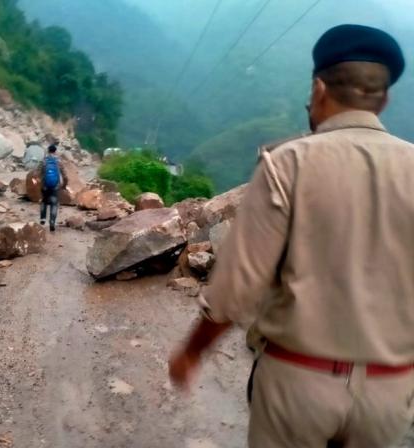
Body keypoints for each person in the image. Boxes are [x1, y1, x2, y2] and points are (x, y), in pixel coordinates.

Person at [169, 24, 414, 448]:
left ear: (319, 88)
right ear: (385, 98)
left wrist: (192, 352)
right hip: (391, 393)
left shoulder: (288, 163)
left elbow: (237, 288)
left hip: (297, 384)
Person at [38, 144, 68, 232]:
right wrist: (64, 185)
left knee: (44, 201)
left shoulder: (44, 160)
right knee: (54, 204)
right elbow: (65, 175)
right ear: (55, 151)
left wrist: (40, 182)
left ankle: (43, 219)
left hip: (45, 186)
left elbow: (37, 173)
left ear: (48, 151)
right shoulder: (59, 161)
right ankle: (52, 222)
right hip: (55, 186)